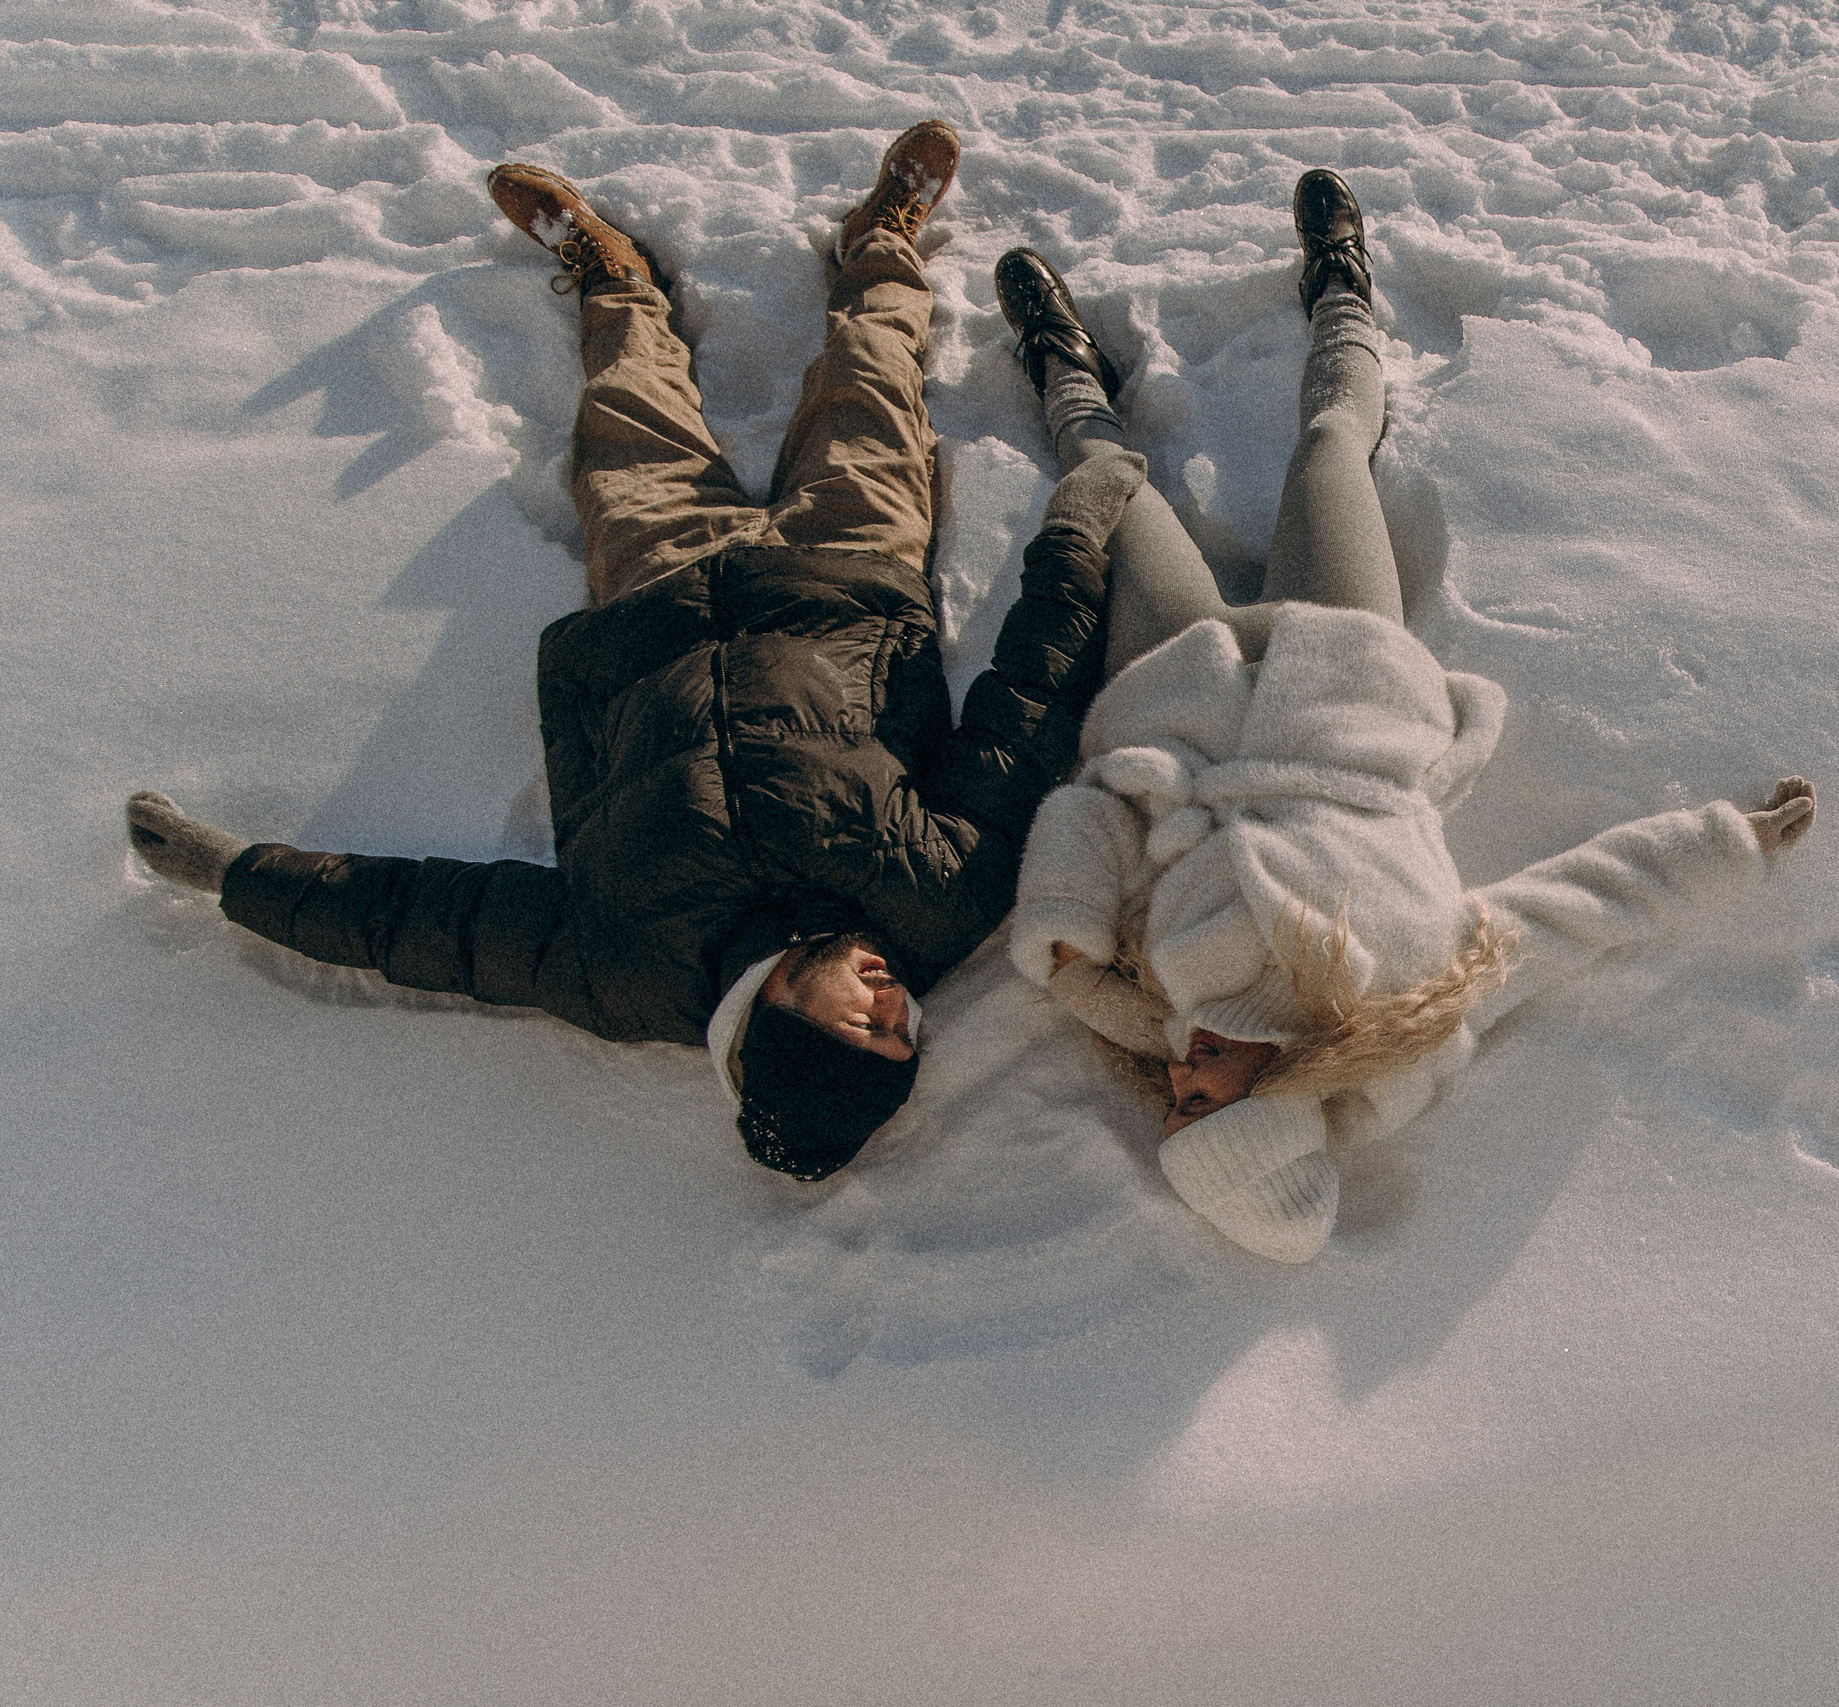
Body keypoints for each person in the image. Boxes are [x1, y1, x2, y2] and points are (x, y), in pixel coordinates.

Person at [124, 122, 1135, 1182]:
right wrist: (1074, 537)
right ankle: (883, 241)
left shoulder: (624, 969)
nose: (900, 1007)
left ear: (783, 1025)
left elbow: (422, 925)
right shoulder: (936, 898)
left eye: (866, 1028)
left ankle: (612, 280)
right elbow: (1031, 707)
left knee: (623, 410)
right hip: (849, 574)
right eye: (905, 1033)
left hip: (652, 598)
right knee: (873, 378)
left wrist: (233, 874)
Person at [992, 170, 1818, 1263]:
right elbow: (1575, 910)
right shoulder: (1412, 1006)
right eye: (1202, 1104)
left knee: (1113, 489)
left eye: (1174, 1106)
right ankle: (1343, 292)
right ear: (1273, 1102)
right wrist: (1733, 845)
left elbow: (1090, 815)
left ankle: (1058, 365)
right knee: (1330, 450)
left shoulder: (1153, 1013)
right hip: (1348, 685)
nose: (1177, 1083)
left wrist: (1061, 912)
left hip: (1177, 703)